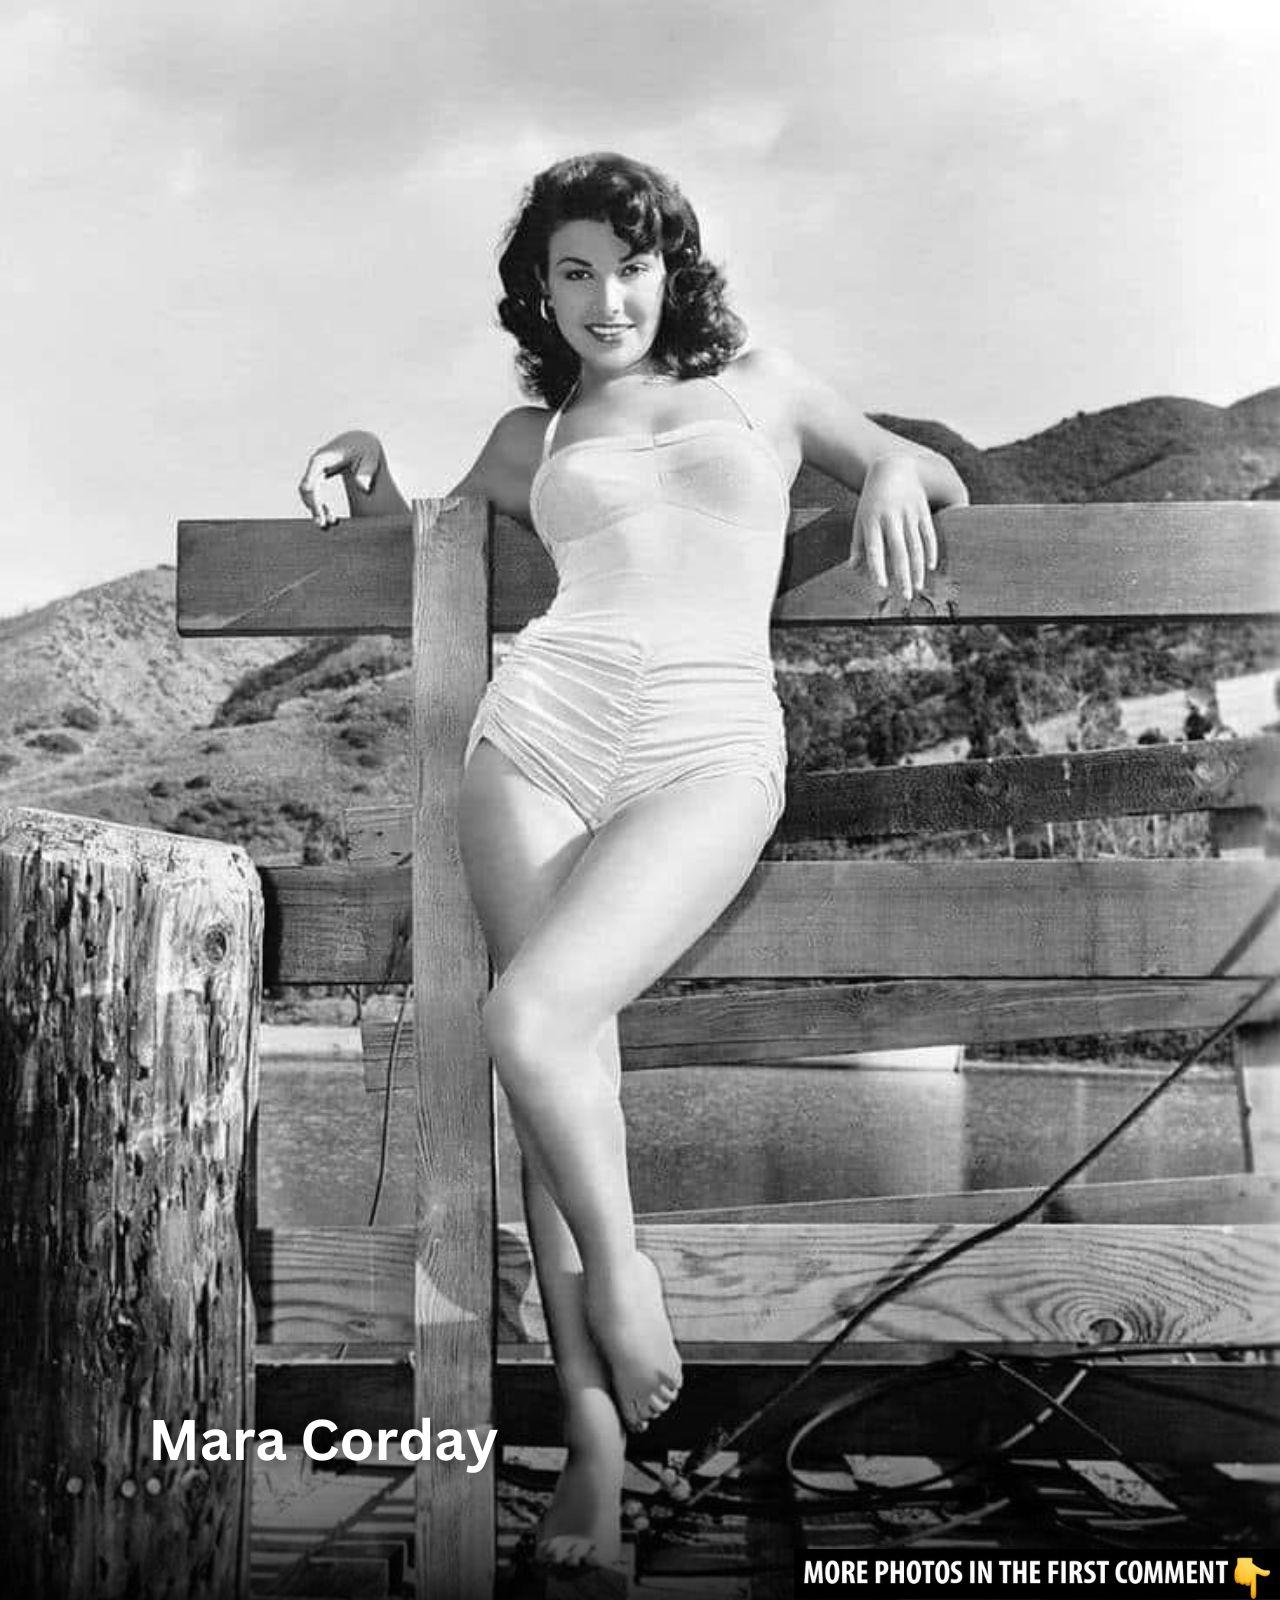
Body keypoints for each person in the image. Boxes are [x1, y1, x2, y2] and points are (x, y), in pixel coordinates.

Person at [298, 151, 969, 1573]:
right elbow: (424, 536)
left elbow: (919, 464)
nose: (610, 298)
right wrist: (371, 471)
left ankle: (623, 1281)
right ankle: (594, 1458)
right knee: (563, 1079)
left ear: (675, 270)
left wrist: (894, 471)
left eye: (633, 265)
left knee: (530, 1020)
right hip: (537, 737)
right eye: (578, 272)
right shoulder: (531, 436)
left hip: (709, 745)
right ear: (541, 293)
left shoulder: (764, 386)